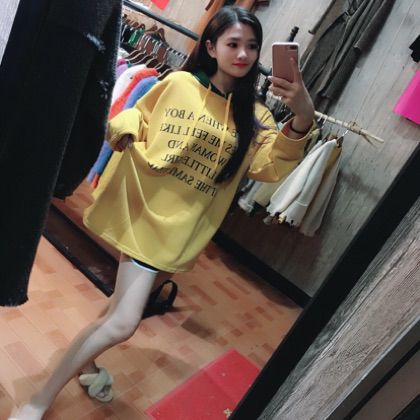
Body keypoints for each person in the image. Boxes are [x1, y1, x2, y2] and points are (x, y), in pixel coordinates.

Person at [10, 6, 314, 419]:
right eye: (233, 44)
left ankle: (87, 364)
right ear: (211, 47)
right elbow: (139, 114)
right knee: (124, 322)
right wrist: (126, 129)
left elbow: (269, 167)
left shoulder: (255, 117)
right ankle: (38, 400)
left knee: (118, 309)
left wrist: (303, 116)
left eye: (251, 46)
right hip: (145, 210)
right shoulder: (181, 84)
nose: (243, 54)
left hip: (182, 230)